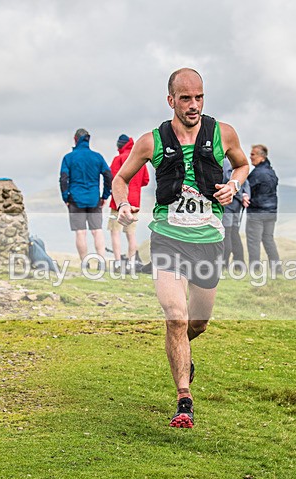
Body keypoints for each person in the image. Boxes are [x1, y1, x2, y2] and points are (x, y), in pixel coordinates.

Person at [112, 68, 249, 428]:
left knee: (196, 324)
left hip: (207, 240)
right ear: (170, 100)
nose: (193, 105)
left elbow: (242, 165)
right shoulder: (150, 141)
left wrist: (234, 185)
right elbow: (120, 179)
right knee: (176, 316)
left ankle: (182, 347)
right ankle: (184, 400)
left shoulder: (223, 133)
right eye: (185, 98)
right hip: (168, 237)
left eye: (199, 97)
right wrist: (123, 205)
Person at [59, 128, 112, 266]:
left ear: (75, 139)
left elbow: (63, 179)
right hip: (94, 199)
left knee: (80, 232)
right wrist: (105, 195)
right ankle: (101, 262)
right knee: (97, 231)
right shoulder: (97, 157)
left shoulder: (68, 158)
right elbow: (108, 175)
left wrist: (66, 197)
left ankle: (85, 263)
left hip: (75, 199)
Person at [108, 134, 150, 272]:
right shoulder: (138, 159)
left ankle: (118, 263)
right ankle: (132, 263)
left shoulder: (118, 159)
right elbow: (145, 180)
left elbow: (114, 180)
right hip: (135, 203)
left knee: (115, 232)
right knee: (131, 234)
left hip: (119, 202)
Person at [245, 144, 281, 274]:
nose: (250, 156)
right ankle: (277, 270)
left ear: (262, 156)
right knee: (268, 240)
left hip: (257, 213)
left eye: (253, 154)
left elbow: (249, 191)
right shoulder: (271, 172)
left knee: (253, 242)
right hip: (271, 212)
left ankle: (255, 270)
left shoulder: (257, 174)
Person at [220, 157, 250, 269]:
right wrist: (244, 194)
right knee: (233, 233)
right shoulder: (236, 163)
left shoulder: (225, 162)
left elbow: (227, 178)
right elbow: (244, 181)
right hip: (237, 202)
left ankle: (223, 265)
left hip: (229, 201)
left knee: (226, 233)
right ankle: (239, 264)